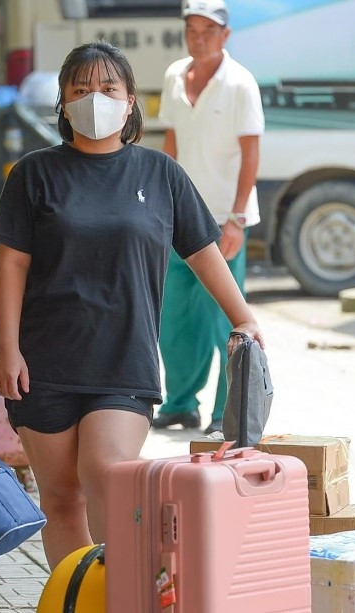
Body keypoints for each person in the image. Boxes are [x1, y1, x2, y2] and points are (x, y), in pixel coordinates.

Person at [0, 40, 264, 570]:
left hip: (123, 361)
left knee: (108, 475)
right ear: (64, 104)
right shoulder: (34, 174)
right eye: (81, 89)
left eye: (108, 88)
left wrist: (244, 317)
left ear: (131, 100)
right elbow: (11, 267)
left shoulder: (161, 175)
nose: (96, 98)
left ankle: (125, 592)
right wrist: (6, 350)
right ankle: (77, 600)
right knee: (61, 499)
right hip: (42, 362)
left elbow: (206, 256)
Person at [152, 0, 265, 435]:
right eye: (192, 30)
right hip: (181, 218)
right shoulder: (175, 76)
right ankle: (180, 404)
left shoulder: (240, 84)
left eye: (208, 30)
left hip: (222, 220)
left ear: (225, 35)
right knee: (176, 320)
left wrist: (236, 218)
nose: (198, 38)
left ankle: (226, 414)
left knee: (227, 320)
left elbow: (251, 153)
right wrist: (161, 206)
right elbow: (173, 144)